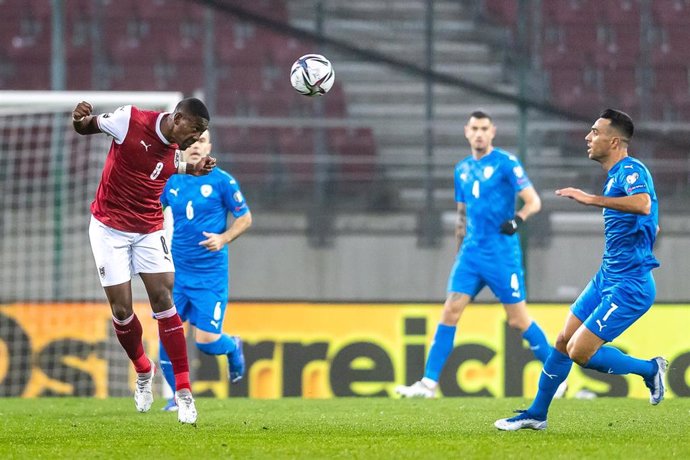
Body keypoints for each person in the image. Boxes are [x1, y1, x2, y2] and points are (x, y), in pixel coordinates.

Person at [495, 109, 666, 431]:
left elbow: (643, 203)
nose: (588, 137)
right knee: (562, 341)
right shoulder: (616, 175)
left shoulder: (631, 169)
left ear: (614, 140)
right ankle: (536, 414)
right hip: (607, 276)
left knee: (580, 351)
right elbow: (649, 216)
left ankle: (649, 369)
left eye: (595, 132)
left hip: (630, 286)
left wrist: (590, 199)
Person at [396, 110, 560, 398]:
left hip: (501, 254)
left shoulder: (506, 163)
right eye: (474, 128)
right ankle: (428, 384)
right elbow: (462, 214)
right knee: (450, 311)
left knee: (518, 320)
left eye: (484, 128)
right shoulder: (461, 169)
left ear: (493, 131)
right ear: (466, 132)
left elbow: (534, 201)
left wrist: (517, 220)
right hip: (471, 255)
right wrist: (460, 251)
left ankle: (556, 379)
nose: (479, 133)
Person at [72, 98, 215, 424]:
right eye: (195, 130)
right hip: (109, 229)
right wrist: (78, 120)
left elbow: (170, 165)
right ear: (178, 120)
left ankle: (183, 393)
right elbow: (86, 127)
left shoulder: (175, 148)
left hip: (149, 229)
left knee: (164, 300)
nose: (196, 139)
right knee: (122, 311)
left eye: (202, 133)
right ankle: (142, 369)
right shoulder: (130, 120)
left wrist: (195, 169)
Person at [159, 129, 252, 411]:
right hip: (177, 275)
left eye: (202, 141)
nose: (197, 146)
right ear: (181, 146)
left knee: (206, 341)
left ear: (209, 146)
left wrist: (223, 238)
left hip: (210, 277)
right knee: (167, 334)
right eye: (192, 141)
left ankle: (233, 347)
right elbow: (153, 211)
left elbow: (245, 218)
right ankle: (177, 397)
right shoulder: (170, 180)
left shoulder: (222, 181)